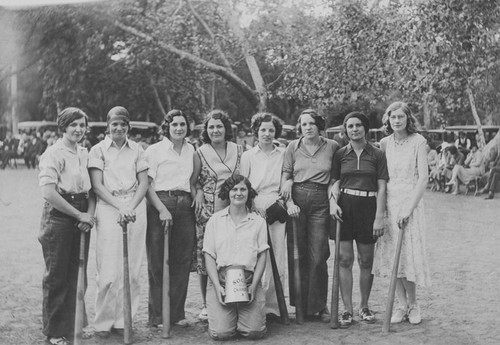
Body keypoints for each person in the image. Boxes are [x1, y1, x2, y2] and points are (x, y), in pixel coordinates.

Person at [88, 106, 149, 337]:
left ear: (129, 126)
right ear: (108, 126)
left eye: (123, 124)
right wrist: (120, 206)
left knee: (132, 269)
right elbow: (97, 186)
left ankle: (125, 320)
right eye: (114, 124)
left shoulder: (137, 150)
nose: (119, 128)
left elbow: (143, 183)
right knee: (108, 269)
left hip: (134, 207)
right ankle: (103, 322)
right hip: (109, 207)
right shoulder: (98, 150)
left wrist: (130, 206)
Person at [38, 107, 96, 345]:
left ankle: (73, 325)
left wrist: (88, 216)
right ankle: (54, 332)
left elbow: (91, 191)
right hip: (59, 218)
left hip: (81, 215)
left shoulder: (84, 152)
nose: (78, 129)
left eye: (82, 125)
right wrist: (78, 215)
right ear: (63, 127)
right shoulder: (53, 153)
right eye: (73, 125)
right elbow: (49, 193)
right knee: (57, 276)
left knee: (77, 274)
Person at [373, 101, 431, 325]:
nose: (396, 121)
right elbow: (382, 178)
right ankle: (401, 304)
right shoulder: (384, 143)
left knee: (408, 255)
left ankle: (414, 304)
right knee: (391, 255)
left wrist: (408, 209)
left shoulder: (419, 141)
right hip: (389, 203)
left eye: (401, 117)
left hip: (410, 203)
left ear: (408, 119)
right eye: (393, 117)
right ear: (387, 120)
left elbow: (423, 179)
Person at [329, 112, 388, 327]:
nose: (354, 129)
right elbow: (334, 181)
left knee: (366, 260)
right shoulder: (340, 154)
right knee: (344, 259)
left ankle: (364, 306)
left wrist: (379, 217)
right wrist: (332, 202)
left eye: (358, 125)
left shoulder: (378, 154)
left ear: (365, 128)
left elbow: (382, 187)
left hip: (368, 208)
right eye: (350, 126)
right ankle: (347, 310)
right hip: (344, 207)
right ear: (345, 130)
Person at [281, 109, 339, 322]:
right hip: (297, 200)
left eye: (312, 123)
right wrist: (289, 202)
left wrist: (333, 198)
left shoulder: (331, 146)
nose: (308, 127)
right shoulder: (292, 147)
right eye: (304, 124)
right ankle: (301, 306)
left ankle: (319, 305)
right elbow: (285, 176)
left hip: (321, 201)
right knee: (298, 255)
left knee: (319, 255)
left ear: (319, 125)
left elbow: (336, 177)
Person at [145, 110, 196, 327]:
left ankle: (176, 315)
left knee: (182, 261)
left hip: (185, 206)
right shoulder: (155, 150)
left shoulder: (191, 149)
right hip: (161, 204)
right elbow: (146, 184)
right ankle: (158, 316)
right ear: (167, 127)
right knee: (158, 262)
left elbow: (193, 181)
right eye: (174, 124)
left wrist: (197, 196)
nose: (179, 128)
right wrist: (161, 209)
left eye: (182, 124)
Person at [192, 109, 243, 320]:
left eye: (219, 126)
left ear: (226, 128)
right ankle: (206, 304)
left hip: (235, 208)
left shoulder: (239, 150)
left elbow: (244, 178)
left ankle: (234, 297)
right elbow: (193, 180)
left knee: (233, 254)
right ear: (206, 130)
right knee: (207, 257)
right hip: (208, 211)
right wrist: (200, 193)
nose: (215, 130)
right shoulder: (200, 152)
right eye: (211, 127)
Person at [203, 174, 268, 340]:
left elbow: (262, 255)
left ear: (249, 193)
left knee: (255, 332)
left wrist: (253, 286)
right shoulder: (215, 220)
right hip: (222, 279)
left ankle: (244, 316)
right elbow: (209, 255)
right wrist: (217, 286)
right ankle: (224, 317)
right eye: (234, 189)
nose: (238, 193)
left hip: (248, 280)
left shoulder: (258, 221)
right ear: (228, 192)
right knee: (222, 333)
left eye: (243, 189)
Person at [240, 112, 286, 319]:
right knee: (255, 256)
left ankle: (273, 308)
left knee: (277, 257)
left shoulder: (283, 154)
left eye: (271, 130)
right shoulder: (248, 156)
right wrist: (252, 204)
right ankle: (253, 304)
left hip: (276, 206)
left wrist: (281, 202)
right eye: (263, 130)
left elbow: (287, 180)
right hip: (254, 207)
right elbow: (244, 184)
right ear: (256, 132)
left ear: (276, 132)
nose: (267, 134)